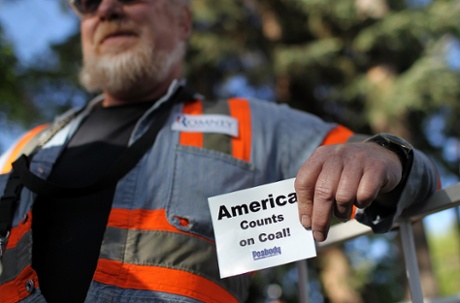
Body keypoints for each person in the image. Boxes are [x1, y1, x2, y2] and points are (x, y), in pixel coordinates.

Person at [0, 0, 439, 302]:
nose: (108, 8)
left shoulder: (250, 123)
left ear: (183, 22)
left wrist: (382, 157)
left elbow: (412, 175)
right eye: (88, 2)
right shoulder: (27, 147)